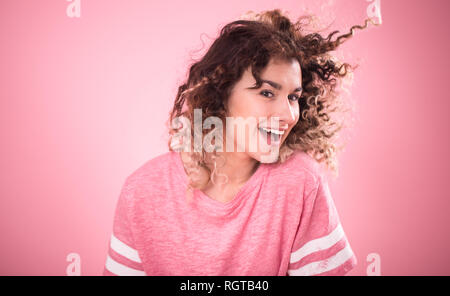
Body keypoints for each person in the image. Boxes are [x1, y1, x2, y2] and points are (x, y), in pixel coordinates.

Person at [103, 8, 369, 276]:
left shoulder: (300, 183)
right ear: (221, 95)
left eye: (293, 97)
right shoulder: (142, 191)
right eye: (267, 92)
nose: (288, 115)